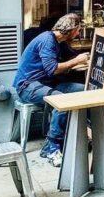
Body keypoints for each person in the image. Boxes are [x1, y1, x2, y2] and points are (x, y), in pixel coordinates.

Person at [13, 14, 90, 167]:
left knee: (83, 90)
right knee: (61, 100)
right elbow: (52, 69)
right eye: (78, 31)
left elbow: (70, 57)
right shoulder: (47, 40)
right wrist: (77, 61)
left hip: (46, 84)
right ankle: (52, 147)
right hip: (28, 86)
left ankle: (84, 134)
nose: (79, 34)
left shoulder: (59, 41)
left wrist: (82, 60)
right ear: (71, 30)